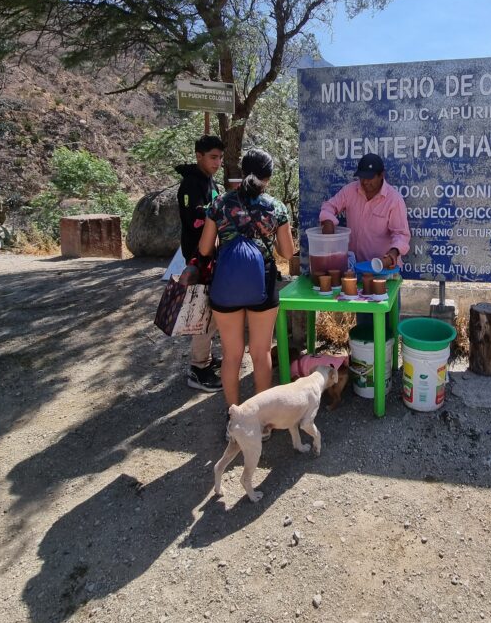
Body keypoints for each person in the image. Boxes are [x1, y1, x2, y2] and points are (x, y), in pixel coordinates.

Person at [196, 148, 295, 424]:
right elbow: (287, 253)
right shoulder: (275, 207)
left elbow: (204, 249)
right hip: (261, 283)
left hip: (225, 285)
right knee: (261, 352)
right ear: (269, 177)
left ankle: (235, 419)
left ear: (242, 171)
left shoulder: (219, 204)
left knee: (231, 355)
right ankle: (261, 422)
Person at [176, 135, 224, 392]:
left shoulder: (208, 180)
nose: (218, 163)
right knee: (203, 312)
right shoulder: (189, 185)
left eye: (220, 158)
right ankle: (198, 367)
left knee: (213, 309)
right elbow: (195, 219)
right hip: (198, 259)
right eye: (213, 157)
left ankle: (204, 356)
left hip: (211, 257)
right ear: (199, 156)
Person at [319, 153, 410, 267]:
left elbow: (401, 234)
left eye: (370, 177)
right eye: (362, 177)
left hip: (381, 269)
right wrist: (328, 221)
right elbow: (329, 206)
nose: (365, 182)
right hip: (353, 267)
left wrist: (393, 253)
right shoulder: (350, 191)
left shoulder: (394, 200)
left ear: (381, 175)